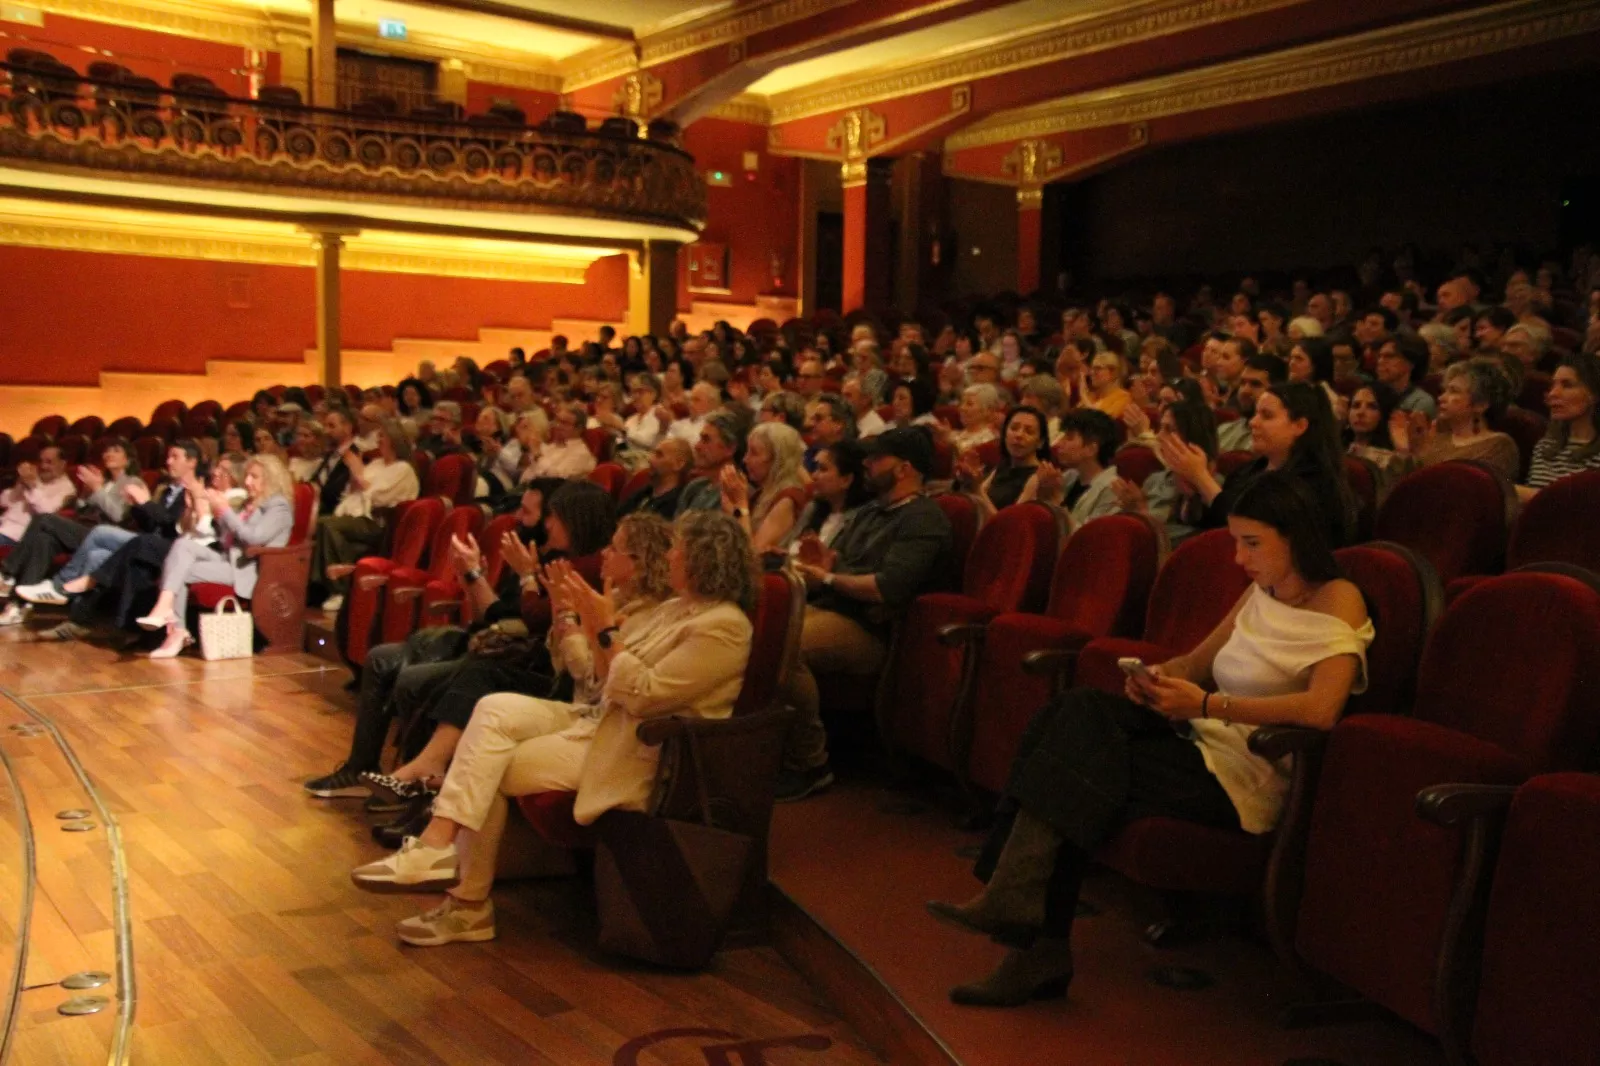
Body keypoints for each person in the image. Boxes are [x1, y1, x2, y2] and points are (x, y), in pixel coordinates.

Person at [927, 473, 1372, 1007]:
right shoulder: (1263, 590)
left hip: (1248, 773)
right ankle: (1019, 914)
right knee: (1075, 711)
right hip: (1201, 741)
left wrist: (1206, 704)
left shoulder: (1339, 598)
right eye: (1236, 542)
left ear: (1297, 537)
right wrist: (1157, 678)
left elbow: (1322, 711)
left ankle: (1026, 927)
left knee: (1076, 765)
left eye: (1252, 543)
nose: (1239, 558)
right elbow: (1195, 662)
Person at [349, 511, 756, 949]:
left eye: (679, 548)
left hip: (641, 751)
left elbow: (643, 694)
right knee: (492, 707)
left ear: (703, 558)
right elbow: (602, 681)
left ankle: (467, 904)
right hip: (601, 720)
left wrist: (602, 629)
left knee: (486, 767)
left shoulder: (724, 626)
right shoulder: (677, 609)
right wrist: (586, 622)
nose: (670, 555)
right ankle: (436, 845)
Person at [303, 482, 618, 805]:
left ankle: (413, 788)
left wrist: (522, 576)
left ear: (576, 520)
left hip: (527, 656)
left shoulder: (573, 565)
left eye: (540, 513)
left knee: (418, 678)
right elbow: (492, 612)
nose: (532, 520)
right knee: (383, 657)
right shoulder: (543, 552)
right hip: (494, 638)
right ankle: (374, 772)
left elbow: (530, 618)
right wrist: (471, 573)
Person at [779, 427, 953, 801]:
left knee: (783, 644)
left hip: (872, 629)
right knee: (758, 631)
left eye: (876, 459)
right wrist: (821, 566)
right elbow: (837, 565)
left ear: (904, 468)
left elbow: (887, 587)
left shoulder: (923, 518)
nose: (867, 465)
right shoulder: (870, 513)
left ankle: (810, 762)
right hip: (832, 609)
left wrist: (827, 576)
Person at [133, 454, 295, 658]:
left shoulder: (278, 507)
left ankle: (176, 630)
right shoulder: (249, 502)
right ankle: (168, 613)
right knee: (183, 545)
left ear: (271, 479)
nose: (247, 482)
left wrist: (225, 511)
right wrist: (207, 510)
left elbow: (254, 538)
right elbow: (225, 537)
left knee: (181, 570)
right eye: (247, 476)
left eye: (254, 477)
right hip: (230, 558)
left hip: (251, 568)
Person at [1160, 381, 1356, 549]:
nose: (1253, 422)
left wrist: (1201, 478)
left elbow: (1249, 527)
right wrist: (1192, 492)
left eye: (1267, 415)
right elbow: (1216, 524)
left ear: (1299, 426)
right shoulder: (1250, 469)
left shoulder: (1314, 481)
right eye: (1255, 414)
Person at [16, 440, 202, 611]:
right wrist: (138, 507)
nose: (168, 462)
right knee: (89, 552)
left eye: (174, 457)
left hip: (160, 545)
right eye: (168, 457)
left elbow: (171, 526)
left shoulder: (194, 490)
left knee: (82, 527)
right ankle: (73, 619)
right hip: (136, 539)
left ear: (191, 462)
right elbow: (150, 524)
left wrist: (144, 503)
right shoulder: (164, 489)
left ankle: (58, 586)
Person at [0, 439, 142, 620]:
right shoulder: (102, 480)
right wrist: (86, 491)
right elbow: (81, 510)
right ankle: (19, 606)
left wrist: (97, 489)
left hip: (104, 536)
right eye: (107, 450)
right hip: (84, 527)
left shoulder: (132, 482)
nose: (108, 454)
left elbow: (119, 515)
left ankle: (7, 574)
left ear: (128, 459)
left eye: (115, 450)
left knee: (44, 519)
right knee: (43, 541)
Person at [311, 419, 420, 612]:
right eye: (378, 436)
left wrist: (359, 472)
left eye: (382, 437)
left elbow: (378, 498)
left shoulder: (403, 469)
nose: (378, 441)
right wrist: (355, 478)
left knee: (329, 525)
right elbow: (353, 493)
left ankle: (340, 589)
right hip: (357, 516)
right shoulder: (377, 464)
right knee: (323, 523)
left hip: (378, 521)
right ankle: (323, 587)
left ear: (394, 440)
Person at [1387, 358, 1519, 484]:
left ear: (1481, 404)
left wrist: (1420, 456)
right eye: (1444, 391)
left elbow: (1468, 491)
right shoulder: (1435, 435)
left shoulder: (1498, 446)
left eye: (1454, 391)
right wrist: (1404, 451)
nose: (1441, 398)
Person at [1113, 400, 1218, 550]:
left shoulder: (1212, 489)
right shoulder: (1155, 479)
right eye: (1160, 427)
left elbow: (1184, 544)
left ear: (1192, 437)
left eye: (1169, 429)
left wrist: (1142, 514)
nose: (1159, 436)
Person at [720, 421, 808, 553]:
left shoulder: (788, 499)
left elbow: (753, 554)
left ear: (777, 460)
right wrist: (732, 510)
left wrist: (741, 505)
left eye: (754, 453)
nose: (745, 459)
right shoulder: (763, 492)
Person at [1521, 352, 1600, 497]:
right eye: (1553, 385)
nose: (1553, 393)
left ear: (1595, 394)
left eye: (1567, 385)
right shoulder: (1545, 445)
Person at [1025, 409, 1122, 526]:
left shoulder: (1112, 489)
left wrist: (1057, 501)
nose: (1059, 444)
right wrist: (1041, 492)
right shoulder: (1069, 477)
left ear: (1091, 449)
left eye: (1069, 438)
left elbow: (1089, 537)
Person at [783, 440, 869, 558]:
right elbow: (788, 549)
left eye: (823, 469)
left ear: (846, 480)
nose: (814, 476)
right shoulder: (812, 509)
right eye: (816, 468)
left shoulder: (861, 521)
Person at [963, 407, 1049, 514]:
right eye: (1014, 428)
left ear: (1040, 442)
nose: (1019, 435)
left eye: (1029, 431)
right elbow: (979, 497)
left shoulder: (1038, 476)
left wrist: (976, 488)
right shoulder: (1004, 464)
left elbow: (1007, 524)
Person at [0, 444, 74, 549]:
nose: (43, 466)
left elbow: (46, 513)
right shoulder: (34, 477)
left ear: (62, 464)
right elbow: (4, 502)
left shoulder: (67, 489)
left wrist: (32, 487)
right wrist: (19, 485)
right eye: (41, 461)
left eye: (49, 462)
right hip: (4, 523)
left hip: (18, 534)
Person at [675, 410, 747, 514]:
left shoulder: (737, 493)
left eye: (706, 440)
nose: (697, 446)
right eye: (700, 439)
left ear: (730, 448)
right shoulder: (694, 487)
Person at [1218, 354, 1286, 453]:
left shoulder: (1277, 442)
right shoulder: (1224, 430)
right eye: (1242, 383)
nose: (1245, 391)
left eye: (1255, 384)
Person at [618, 438, 692, 520]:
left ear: (678, 465)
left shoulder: (675, 505)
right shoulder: (646, 491)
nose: (650, 459)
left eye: (659, 455)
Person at [520, 402, 596, 482]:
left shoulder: (581, 453)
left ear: (579, 429)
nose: (558, 426)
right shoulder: (552, 446)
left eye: (564, 423)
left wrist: (537, 455)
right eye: (557, 421)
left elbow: (555, 479)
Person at [1344, 382, 1402, 471]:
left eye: (1372, 407)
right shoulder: (1338, 448)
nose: (1360, 412)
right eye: (1356, 406)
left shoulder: (1391, 460)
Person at [1375, 336, 1437, 418]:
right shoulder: (1370, 396)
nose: (1380, 362)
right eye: (1379, 356)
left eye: (1389, 356)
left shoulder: (1420, 401)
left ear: (1410, 363)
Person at [1082, 351, 1132, 420]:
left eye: (1097, 368)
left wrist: (1083, 394)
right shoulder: (1091, 396)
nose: (1091, 373)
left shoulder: (1123, 397)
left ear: (1113, 373)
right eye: (1092, 368)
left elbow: (1102, 421)